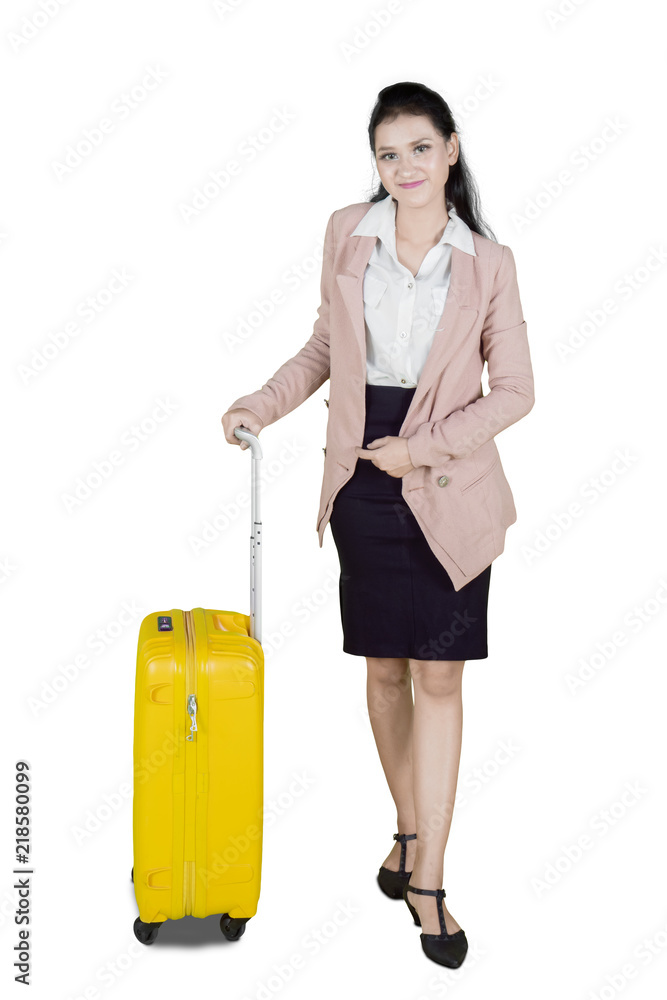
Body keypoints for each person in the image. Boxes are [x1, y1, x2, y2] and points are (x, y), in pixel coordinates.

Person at [222, 81, 535, 968]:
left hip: (449, 489)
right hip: (361, 481)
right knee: (385, 673)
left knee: (439, 679)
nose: (404, 167)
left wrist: (421, 447)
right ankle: (407, 831)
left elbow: (516, 391)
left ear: (451, 149)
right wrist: (259, 403)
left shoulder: (488, 262)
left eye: (419, 148)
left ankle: (428, 878)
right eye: (388, 153)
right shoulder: (346, 234)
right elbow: (327, 348)